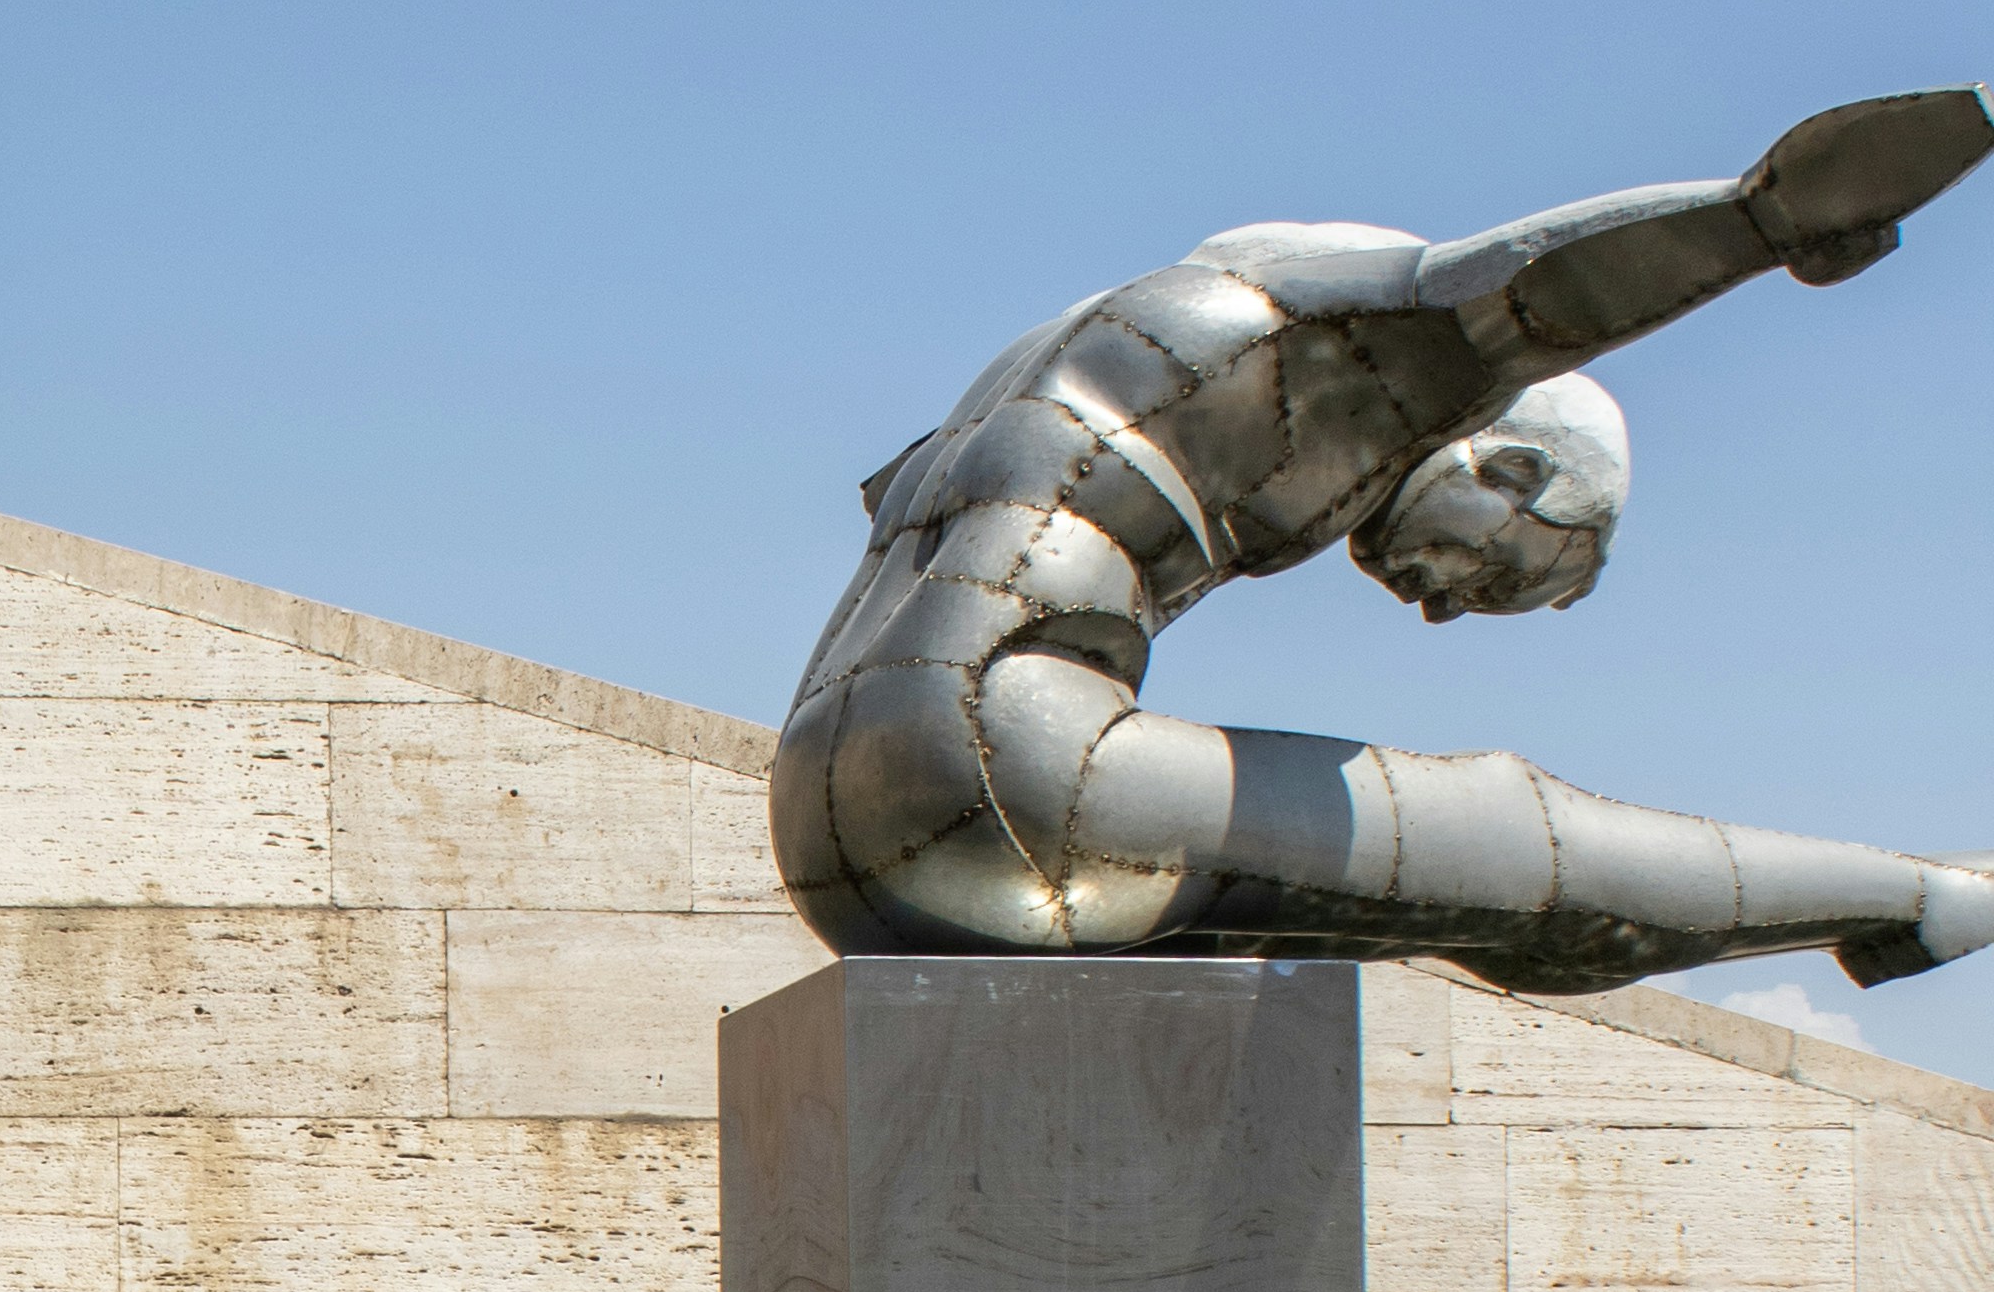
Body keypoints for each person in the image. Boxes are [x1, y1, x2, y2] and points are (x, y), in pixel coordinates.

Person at [775, 83, 1994, 989]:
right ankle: (1911, 894)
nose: (1440, 606)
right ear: (1505, 458)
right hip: (1004, 777)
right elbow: (1519, 298)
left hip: (828, 813)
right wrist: (1765, 223)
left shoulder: (1048, 367)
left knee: (1409, 903)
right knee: (1519, 848)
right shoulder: (1284, 342)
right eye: (1502, 567)